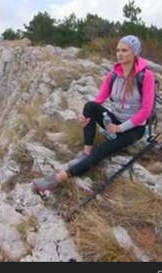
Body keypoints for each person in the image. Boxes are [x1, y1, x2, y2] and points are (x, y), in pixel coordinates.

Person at [33, 35, 155, 193]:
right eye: (118, 50)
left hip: (133, 129)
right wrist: (86, 117)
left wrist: (121, 128)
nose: (119, 54)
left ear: (135, 53)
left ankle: (60, 178)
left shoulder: (145, 76)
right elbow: (99, 100)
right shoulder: (113, 75)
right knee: (89, 106)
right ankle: (86, 151)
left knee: (102, 150)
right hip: (116, 121)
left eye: (124, 50)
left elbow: (146, 111)